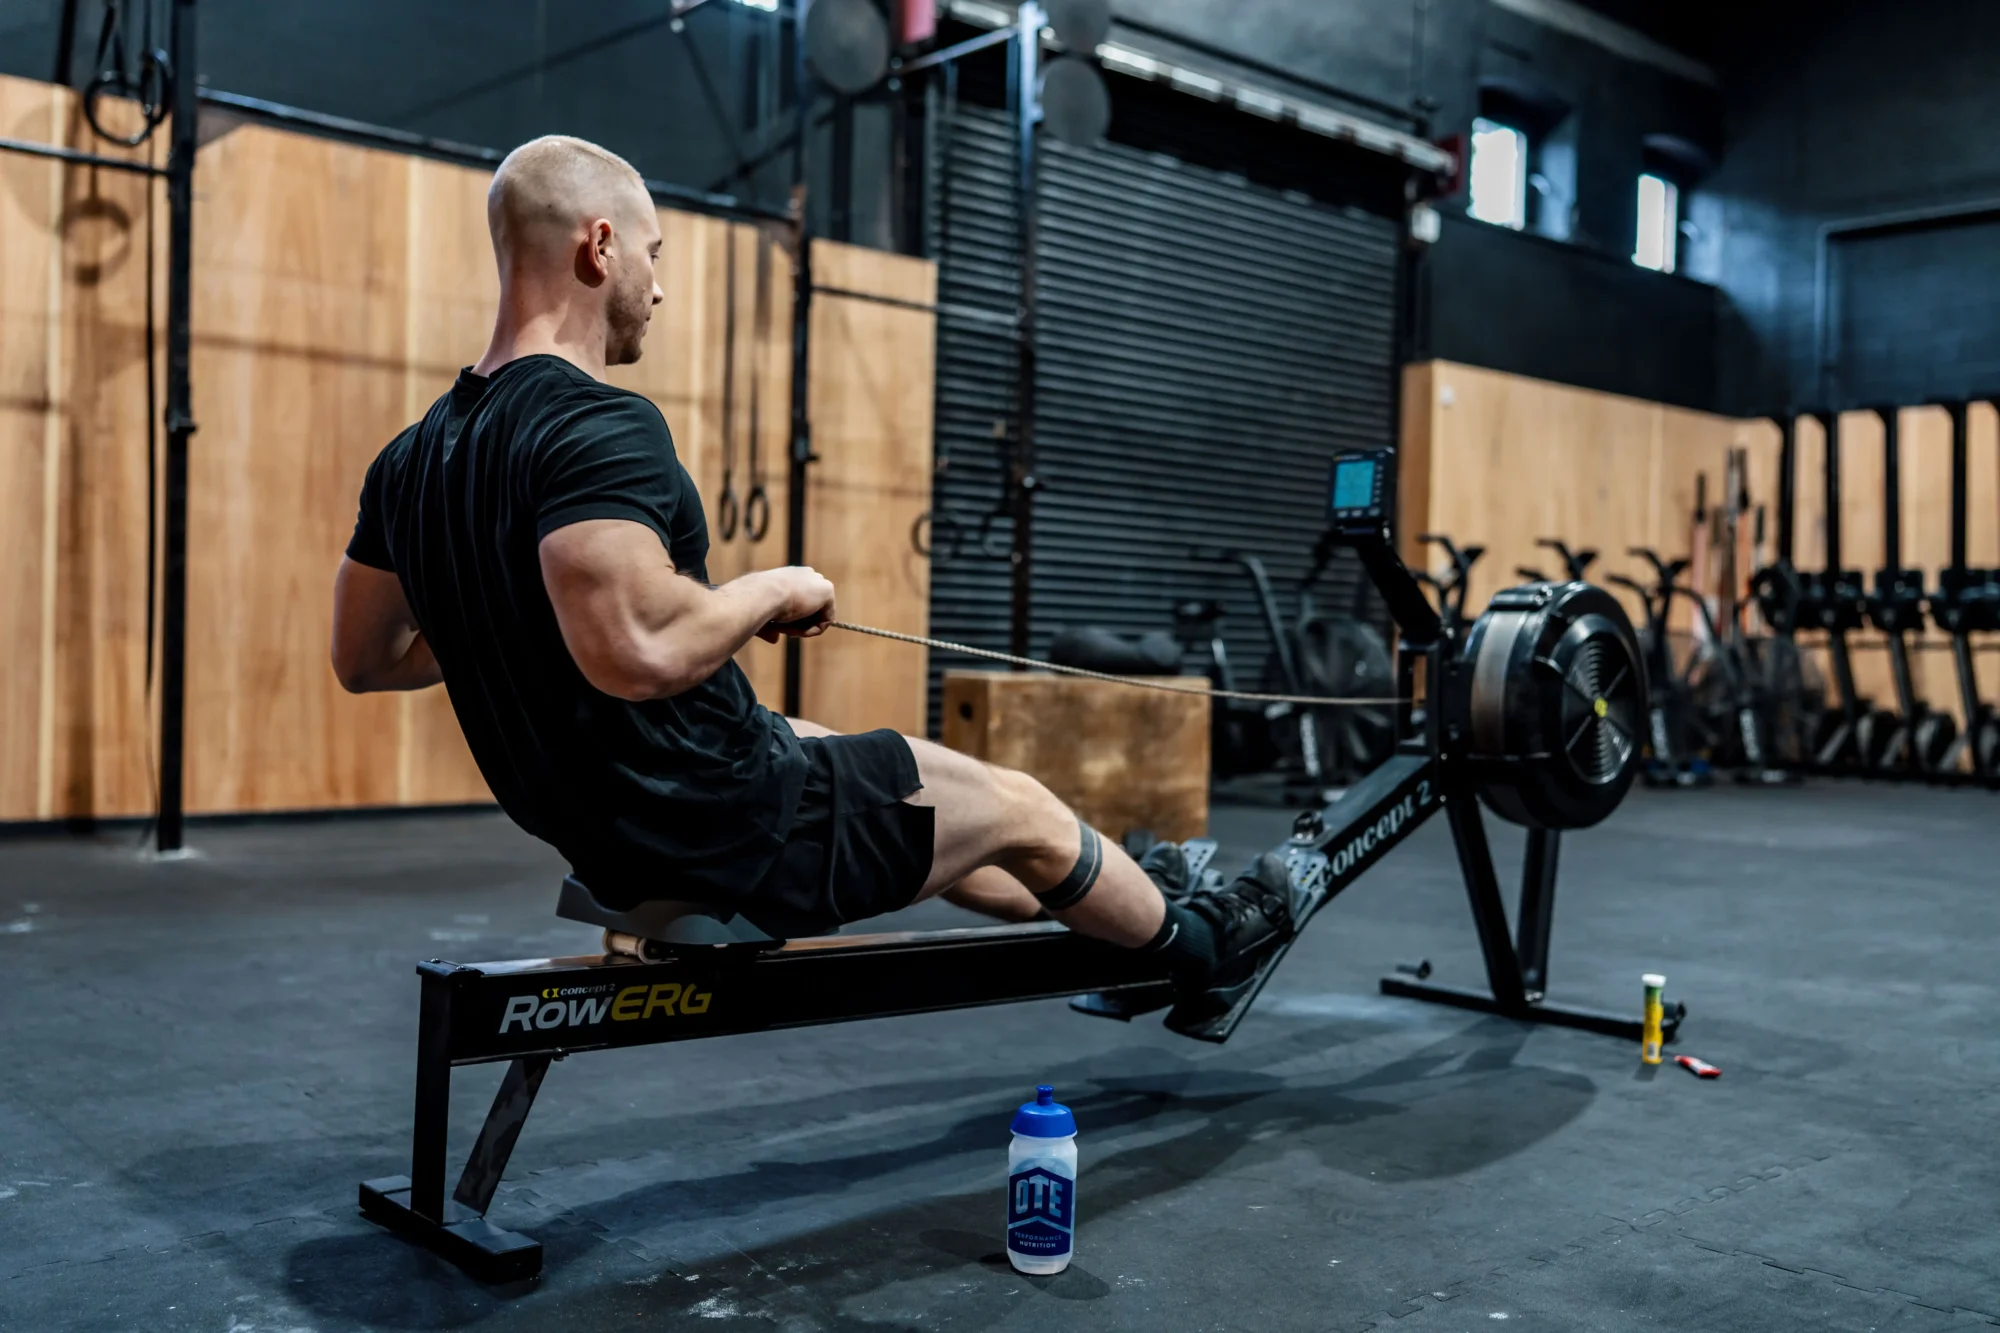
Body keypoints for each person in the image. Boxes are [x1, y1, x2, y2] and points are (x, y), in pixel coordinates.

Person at [328, 134, 1294, 1033]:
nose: (658, 289)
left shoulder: (410, 461)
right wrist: (776, 588)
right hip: (722, 824)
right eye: (654, 255)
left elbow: (365, 659)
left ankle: (1129, 899)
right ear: (601, 246)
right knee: (1024, 805)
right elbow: (643, 651)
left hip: (609, 820)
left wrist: (501, 617)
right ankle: (1198, 949)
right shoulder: (596, 426)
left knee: (935, 791)